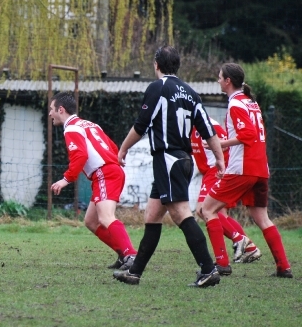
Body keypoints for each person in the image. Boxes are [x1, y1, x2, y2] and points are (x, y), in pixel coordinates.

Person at [113, 45, 225, 288]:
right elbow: (208, 129)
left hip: (168, 159)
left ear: (156, 64)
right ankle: (135, 272)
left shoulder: (158, 88)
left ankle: (208, 269)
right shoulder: (191, 93)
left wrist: (123, 149)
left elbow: (141, 124)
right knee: (152, 215)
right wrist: (220, 158)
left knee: (180, 213)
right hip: (184, 160)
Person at [201, 63, 293, 278]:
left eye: (219, 77)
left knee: (207, 210)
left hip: (243, 168)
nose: (217, 81)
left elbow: (247, 135)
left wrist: (220, 144)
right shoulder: (251, 103)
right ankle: (283, 267)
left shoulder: (235, 105)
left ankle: (221, 264)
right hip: (260, 168)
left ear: (228, 81)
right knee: (262, 218)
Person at [49, 92, 138, 270]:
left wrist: (66, 179)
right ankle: (123, 254)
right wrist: (116, 159)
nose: (50, 114)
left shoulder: (71, 128)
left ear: (61, 109)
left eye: (51, 109)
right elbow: (111, 145)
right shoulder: (89, 124)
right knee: (91, 221)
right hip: (108, 172)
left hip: (105, 173)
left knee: (106, 217)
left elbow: (80, 155)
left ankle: (131, 256)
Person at [191, 119, 262, 276]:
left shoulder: (209, 124)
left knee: (203, 210)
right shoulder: (188, 125)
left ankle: (240, 242)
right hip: (210, 172)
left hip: (216, 171)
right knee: (219, 215)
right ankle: (245, 250)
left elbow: (226, 144)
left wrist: (223, 168)